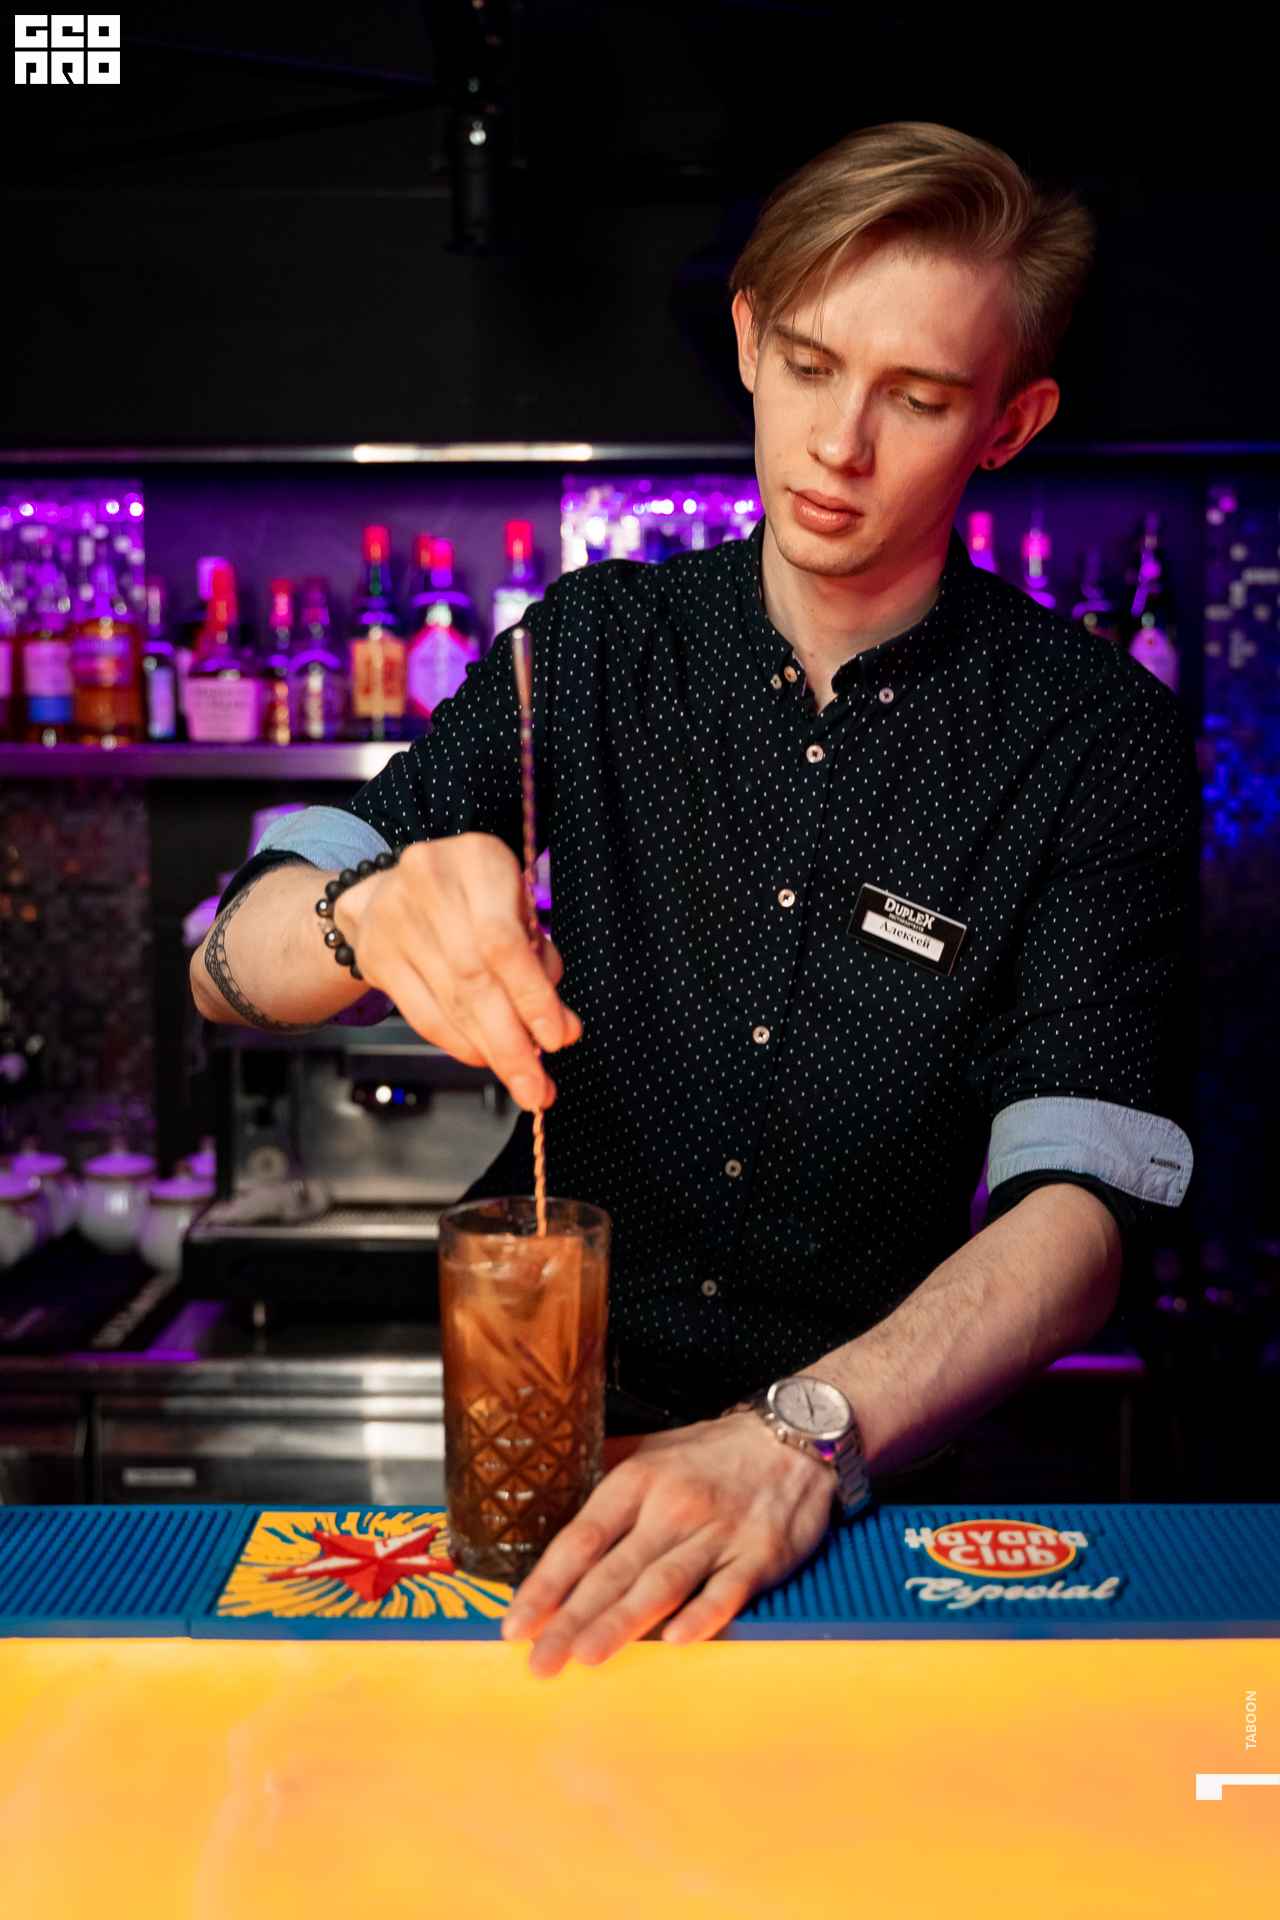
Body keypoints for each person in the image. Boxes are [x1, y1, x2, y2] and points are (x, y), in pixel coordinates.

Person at [194, 122, 1196, 1676]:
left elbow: (1084, 1212)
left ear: (1010, 424)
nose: (839, 445)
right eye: (809, 365)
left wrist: (804, 1433)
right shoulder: (592, 650)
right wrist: (362, 916)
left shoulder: (1090, 737)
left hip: (872, 1489)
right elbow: (227, 961)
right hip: (551, 1473)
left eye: (918, 398)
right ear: (747, 341)